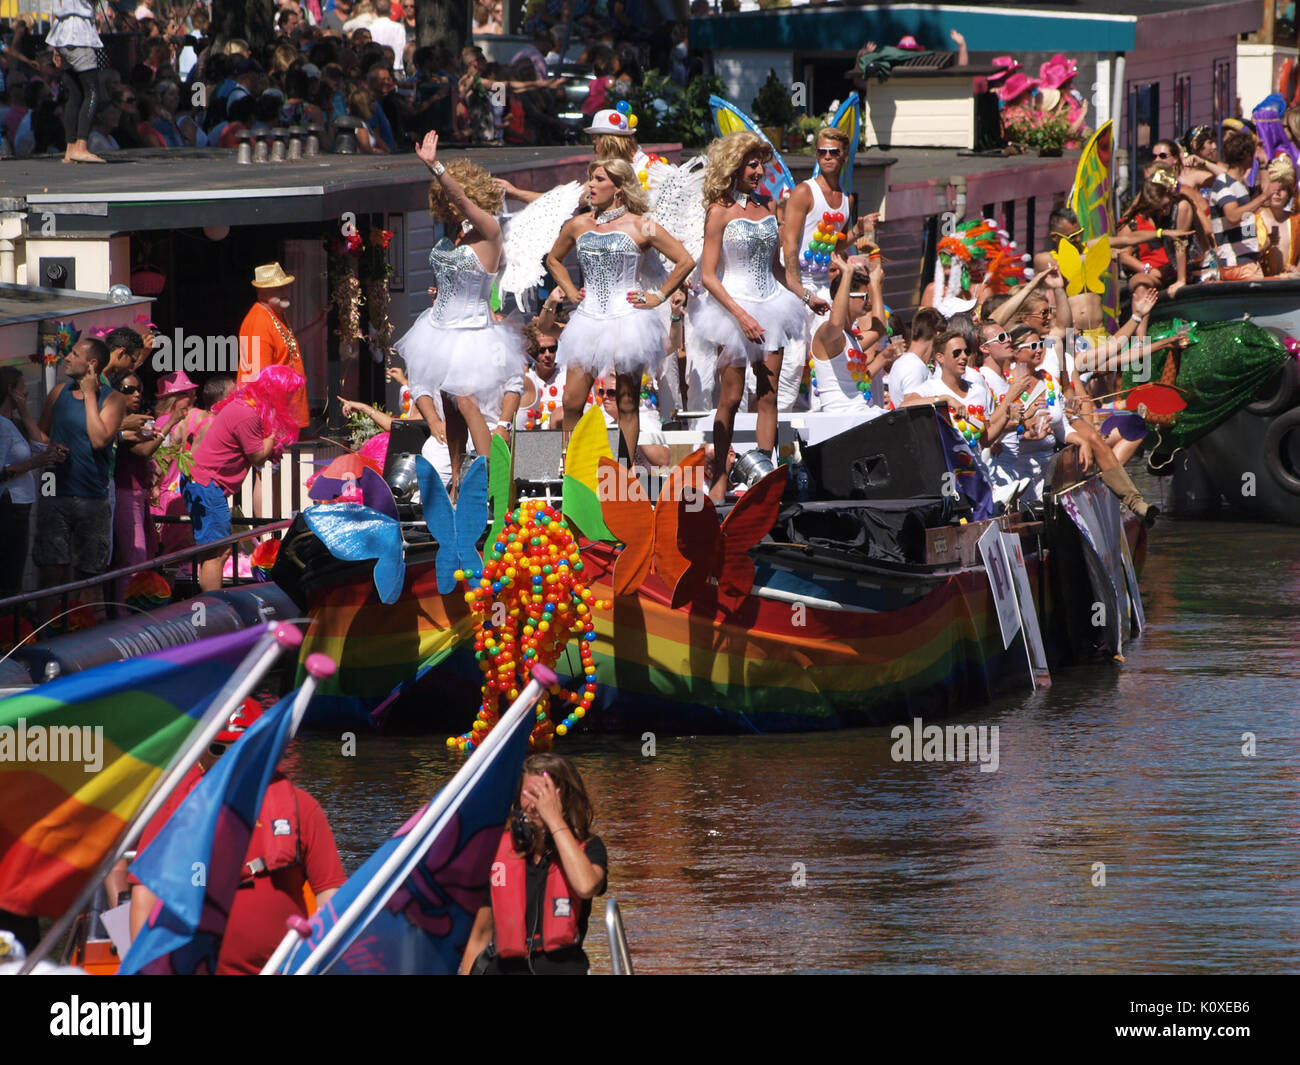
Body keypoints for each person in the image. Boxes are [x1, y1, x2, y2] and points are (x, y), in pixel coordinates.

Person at [129, 698, 347, 975]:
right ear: (201, 754)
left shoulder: (302, 807)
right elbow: (145, 897)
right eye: (219, 748)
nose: (230, 759)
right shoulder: (175, 812)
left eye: (242, 747)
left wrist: (322, 959)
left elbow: (331, 894)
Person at [394, 132, 522, 494]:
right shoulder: (457, 239)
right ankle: (457, 483)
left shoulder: (490, 232)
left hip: (472, 332)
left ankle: (493, 483)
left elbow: (463, 201)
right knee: (451, 407)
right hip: (440, 328)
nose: (450, 201)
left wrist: (435, 166)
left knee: (465, 399)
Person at [546, 157, 695, 463]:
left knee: (628, 402)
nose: (590, 185)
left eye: (598, 179)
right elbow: (553, 260)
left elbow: (685, 260)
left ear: (618, 188)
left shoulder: (642, 225)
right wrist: (572, 292)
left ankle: (623, 472)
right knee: (572, 400)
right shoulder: (578, 224)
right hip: (588, 319)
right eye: (591, 178)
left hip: (629, 320)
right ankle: (574, 465)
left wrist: (659, 296)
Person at [692, 131, 808, 496]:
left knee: (768, 396)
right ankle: (721, 478)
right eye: (752, 163)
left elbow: (776, 269)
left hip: (772, 305)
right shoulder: (719, 210)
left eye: (761, 163)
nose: (759, 171)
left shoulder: (770, 205)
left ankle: (764, 476)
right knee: (729, 397)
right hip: (733, 310)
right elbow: (709, 275)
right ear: (735, 165)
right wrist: (741, 317)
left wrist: (805, 296)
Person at [460, 753, 607, 975]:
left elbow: (586, 886)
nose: (534, 805)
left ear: (564, 798)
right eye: (528, 794)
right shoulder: (497, 851)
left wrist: (554, 819)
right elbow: (479, 936)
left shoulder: (588, 847)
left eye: (543, 794)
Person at [182, 368, 300, 592]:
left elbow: (254, 451)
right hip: (206, 485)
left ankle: (214, 603)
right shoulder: (247, 412)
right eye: (288, 393)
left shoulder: (246, 408)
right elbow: (257, 455)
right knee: (216, 552)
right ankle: (213, 607)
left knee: (218, 550)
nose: (290, 399)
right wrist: (273, 436)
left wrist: (269, 445)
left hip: (205, 484)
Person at [34, 337, 126, 601]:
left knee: (88, 575)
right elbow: (42, 434)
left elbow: (99, 440)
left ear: (92, 364)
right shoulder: (58, 392)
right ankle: (43, 631)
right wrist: (47, 448)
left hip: (92, 499)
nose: (67, 358)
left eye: (74, 354)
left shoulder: (114, 399)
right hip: (54, 494)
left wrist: (88, 396)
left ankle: (83, 630)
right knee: (51, 569)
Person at [780, 125, 854, 411]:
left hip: (822, 286)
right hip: (795, 286)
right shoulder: (804, 191)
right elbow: (788, 243)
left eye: (833, 152)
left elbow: (835, 243)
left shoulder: (846, 199)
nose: (826, 157)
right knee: (793, 362)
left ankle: (820, 421)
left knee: (829, 357)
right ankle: (771, 439)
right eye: (821, 152)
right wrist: (800, 292)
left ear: (844, 155)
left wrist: (858, 232)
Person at [0, 368, 63, 598]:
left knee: (15, 566)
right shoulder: (1, 426)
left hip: (21, 504)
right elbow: (4, 471)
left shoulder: (13, 423)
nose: (25, 394)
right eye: (22, 389)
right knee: (9, 568)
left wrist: (26, 413)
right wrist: (33, 464)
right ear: (10, 391)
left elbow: (39, 446)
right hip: (9, 503)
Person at [809, 251, 888, 418]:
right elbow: (836, 323)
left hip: (860, 415)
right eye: (865, 296)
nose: (869, 301)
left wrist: (874, 285)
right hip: (841, 420)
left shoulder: (851, 337)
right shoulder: (826, 331)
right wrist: (846, 274)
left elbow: (879, 329)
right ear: (847, 297)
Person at [237, 262, 310, 430]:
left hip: (286, 416)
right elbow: (258, 378)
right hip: (274, 421)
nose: (285, 292)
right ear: (263, 293)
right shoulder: (258, 321)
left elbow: (289, 349)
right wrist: (271, 424)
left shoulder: (276, 315)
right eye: (279, 289)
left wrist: (320, 322)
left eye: (285, 287)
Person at [110, 372, 160, 578]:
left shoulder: (143, 420)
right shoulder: (116, 421)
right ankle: (124, 610)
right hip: (124, 491)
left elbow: (147, 451)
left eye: (139, 389)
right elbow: (143, 450)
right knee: (133, 557)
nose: (137, 394)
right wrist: (170, 423)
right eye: (129, 390)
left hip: (142, 493)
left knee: (145, 552)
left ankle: (130, 606)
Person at [1209, 128, 1271, 281]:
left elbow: (1267, 197)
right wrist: (1262, 197)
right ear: (1245, 155)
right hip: (1237, 263)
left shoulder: (1240, 184)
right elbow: (1233, 215)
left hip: (1247, 259)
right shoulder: (1224, 184)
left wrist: (1263, 164)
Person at [47, 0, 105, 163]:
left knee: (75, 94)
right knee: (92, 91)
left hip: (62, 33)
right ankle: (81, 146)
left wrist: (56, 47)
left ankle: (70, 148)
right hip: (79, 35)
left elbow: (55, 11)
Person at [885, 306, 943, 409]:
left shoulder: (908, 362)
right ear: (937, 335)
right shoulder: (914, 366)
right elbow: (911, 405)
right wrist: (944, 399)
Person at [1256, 156, 1300, 277]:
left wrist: (1297, 269)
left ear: (1290, 193)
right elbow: (1244, 257)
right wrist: (1265, 246)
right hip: (1261, 286)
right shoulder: (1250, 219)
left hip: (1288, 287)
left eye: (1284, 189)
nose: (1278, 193)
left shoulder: (1297, 220)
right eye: (1274, 188)